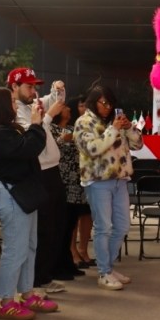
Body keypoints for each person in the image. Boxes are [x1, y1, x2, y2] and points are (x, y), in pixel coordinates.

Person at [0, 87, 58, 320]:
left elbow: (29, 149)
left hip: (23, 193)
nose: (15, 105)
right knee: (15, 250)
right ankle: (6, 302)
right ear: (1, 106)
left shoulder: (7, 129)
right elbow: (29, 149)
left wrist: (34, 126)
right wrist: (36, 124)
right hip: (12, 195)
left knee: (30, 246)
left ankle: (27, 293)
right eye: (12, 102)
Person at [73, 85, 143, 290]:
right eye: (104, 103)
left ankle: (109, 268)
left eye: (110, 103)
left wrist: (129, 127)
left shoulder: (115, 123)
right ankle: (104, 272)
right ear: (93, 102)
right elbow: (93, 149)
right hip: (98, 181)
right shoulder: (83, 123)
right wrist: (113, 129)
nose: (108, 107)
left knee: (121, 226)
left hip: (120, 180)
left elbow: (138, 145)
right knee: (103, 227)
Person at [7, 68, 67, 293]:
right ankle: (35, 280)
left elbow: (56, 101)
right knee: (42, 229)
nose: (33, 91)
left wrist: (58, 89)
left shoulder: (33, 104)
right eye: (28, 86)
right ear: (14, 86)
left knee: (55, 227)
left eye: (35, 86)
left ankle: (44, 275)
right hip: (38, 173)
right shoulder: (14, 111)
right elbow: (30, 138)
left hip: (52, 170)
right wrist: (49, 116)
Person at [50, 98, 87, 278]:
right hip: (62, 181)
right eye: (64, 107)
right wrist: (61, 139)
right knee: (61, 226)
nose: (68, 110)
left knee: (71, 223)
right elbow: (48, 149)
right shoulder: (51, 129)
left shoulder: (73, 129)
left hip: (76, 182)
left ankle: (68, 262)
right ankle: (58, 264)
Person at [69, 95, 95, 267]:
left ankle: (84, 248)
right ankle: (72, 250)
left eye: (87, 105)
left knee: (88, 214)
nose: (85, 108)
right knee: (74, 215)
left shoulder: (93, 126)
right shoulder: (69, 127)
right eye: (81, 105)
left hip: (89, 174)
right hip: (72, 176)